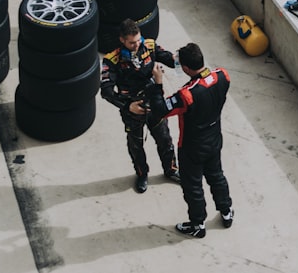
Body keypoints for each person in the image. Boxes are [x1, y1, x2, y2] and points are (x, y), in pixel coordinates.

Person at [146, 42, 233, 239]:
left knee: (193, 187)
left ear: (185, 68)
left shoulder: (187, 94)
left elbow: (161, 111)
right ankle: (226, 212)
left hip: (192, 147)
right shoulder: (223, 75)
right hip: (214, 140)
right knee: (217, 176)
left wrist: (157, 84)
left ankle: (197, 224)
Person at [100, 18, 180, 193]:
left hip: (154, 104)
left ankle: (171, 169)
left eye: (138, 40)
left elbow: (170, 59)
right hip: (132, 109)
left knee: (165, 139)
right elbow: (106, 92)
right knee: (136, 146)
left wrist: (183, 58)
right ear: (122, 40)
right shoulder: (111, 60)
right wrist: (127, 106)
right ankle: (142, 174)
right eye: (131, 43)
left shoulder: (149, 46)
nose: (136, 45)